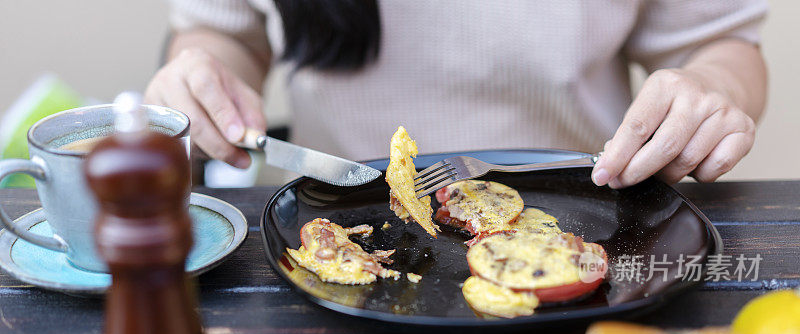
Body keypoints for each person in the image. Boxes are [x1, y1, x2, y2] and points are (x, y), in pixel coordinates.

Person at [145, 0, 768, 189]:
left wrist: (715, 88)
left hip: (587, 221)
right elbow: (224, 31)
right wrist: (202, 77)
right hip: (333, 233)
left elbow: (718, 46)